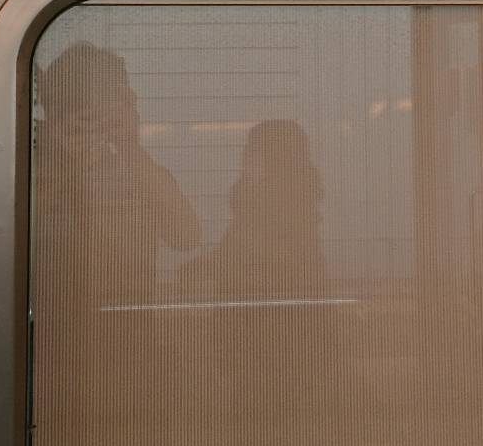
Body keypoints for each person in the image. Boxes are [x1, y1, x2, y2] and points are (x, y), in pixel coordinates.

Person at [32, 42, 199, 309]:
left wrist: (130, 146)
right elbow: (6, 244)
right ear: (57, 115)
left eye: (117, 104)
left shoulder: (133, 169)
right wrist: (65, 163)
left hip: (126, 322)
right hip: (49, 324)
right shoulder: (30, 163)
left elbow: (186, 236)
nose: (96, 122)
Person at [183, 119, 324, 303]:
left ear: (277, 161)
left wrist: (213, 271)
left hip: (275, 316)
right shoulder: (252, 210)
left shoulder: (284, 215)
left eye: (252, 151)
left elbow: (271, 273)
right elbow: (233, 255)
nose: (244, 158)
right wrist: (202, 268)